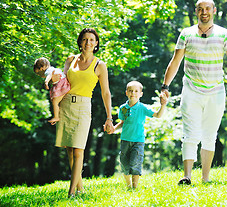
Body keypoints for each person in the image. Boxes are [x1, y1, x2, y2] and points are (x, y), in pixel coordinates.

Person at [161, 0, 227, 185]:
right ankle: (187, 176)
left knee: (209, 135)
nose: (204, 12)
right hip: (191, 89)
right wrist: (165, 86)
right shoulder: (186, 34)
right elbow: (175, 62)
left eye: (207, 8)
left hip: (216, 91)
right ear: (196, 11)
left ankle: (205, 178)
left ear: (214, 10)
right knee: (190, 134)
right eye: (200, 9)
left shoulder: (224, 34)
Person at [52, 28, 113, 197]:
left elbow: (105, 92)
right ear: (80, 42)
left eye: (92, 39)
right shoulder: (71, 59)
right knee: (70, 150)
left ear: (96, 43)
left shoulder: (100, 65)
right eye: (85, 39)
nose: (88, 42)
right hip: (65, 106)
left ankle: (71, 193)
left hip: (83, 107)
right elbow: (62, 82)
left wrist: (109, 117)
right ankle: (80, 189)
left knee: (79, 150)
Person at [105, 81, 167, 189]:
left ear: (141, 94)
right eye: (130, 91)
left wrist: (163, 105)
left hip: (138, 140)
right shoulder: (123, 108)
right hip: (125, 140)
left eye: (136, 91)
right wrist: (114, 128)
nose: (133, 93)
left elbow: (158, 115)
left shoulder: (143, 108)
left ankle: (135, 187)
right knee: (124, 164)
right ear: (126, 93)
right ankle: (129, 186)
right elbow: (123, 122)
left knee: (135, 163)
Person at [34, 57, 71, 125]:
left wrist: (46, 82)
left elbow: (49, 75)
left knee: (55, 101)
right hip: (63, 83)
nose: (40, 76)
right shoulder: (53, 68)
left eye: (39, 73)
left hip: (61, 85)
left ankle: (56, 117)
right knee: (56, 100)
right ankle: (57, 115)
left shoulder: (47, 71)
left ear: (42, 68)